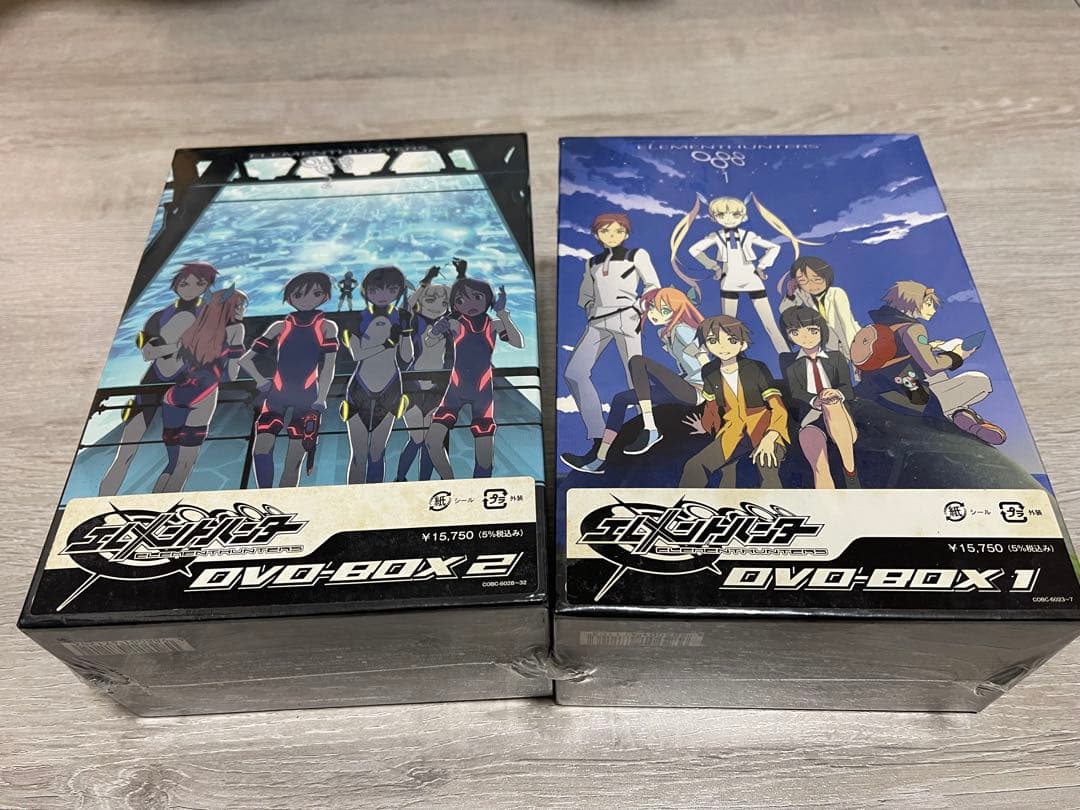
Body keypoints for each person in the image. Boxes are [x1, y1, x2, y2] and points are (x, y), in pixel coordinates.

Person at [99, 262, 216, 495]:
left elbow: (210, 351)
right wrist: (180, 346)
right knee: (125, 453)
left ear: (206, 286)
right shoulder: (159, 317)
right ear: (176, 285)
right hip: (152, 384)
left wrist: (178, 347)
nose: (191, 288)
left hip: (187, 385)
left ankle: (160, 503)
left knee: (180, 461)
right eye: (185, 283)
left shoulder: (208, 317)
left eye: (199, 283)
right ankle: (101, 501)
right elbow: (148, 352)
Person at [566, 287, 705, 473]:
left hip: (696, 391)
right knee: (621, 399)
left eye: (664, 310)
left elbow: (705, 362)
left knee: (638, 362)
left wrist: (714, 393)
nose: (654, 313)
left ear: (678, 310)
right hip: (683, 386)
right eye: (652, 307)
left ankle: (650, 428)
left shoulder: (683, 330)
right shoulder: (667, 332)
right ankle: (599, 459)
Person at [561, 212, 660, 469]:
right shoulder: (592, 262)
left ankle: (648, 430)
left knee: (634, 375)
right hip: (598, 321)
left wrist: (638, 309)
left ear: (626, 233)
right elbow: (585, 293)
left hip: (627, 317)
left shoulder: (636, 255)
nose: (612, 235)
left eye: (618, 231)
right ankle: (597, 440)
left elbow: (652, 285)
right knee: (574, 373)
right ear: (597, 234)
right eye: (605, 231)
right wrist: (590, 308)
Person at [854, 281, 1005, 444]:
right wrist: (958, 355)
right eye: (929, 304)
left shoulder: (879, 326)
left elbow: (894, 355)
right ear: (915, 302)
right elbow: (931, 366)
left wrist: (930, 346)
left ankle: (962, 416)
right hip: (911, 394)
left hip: (875, 387)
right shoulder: (912, 329)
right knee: (979, 381)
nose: (933, 309)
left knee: (937, 380)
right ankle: (963, 416)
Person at [671, 194, 819, 354]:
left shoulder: (748, 236)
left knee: (769, 323)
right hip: (729, 282)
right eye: (721, 214)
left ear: (743, 216)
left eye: (735, 214)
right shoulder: (717, 237)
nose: (728, 219)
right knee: (727, 326)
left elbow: (774, 247)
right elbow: (694, 250)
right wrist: (714, 266)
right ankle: (726, 359)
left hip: (752, 280)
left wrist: (762, 266)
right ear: (714, 217)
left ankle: (787, 356)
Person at [240, 272, 339, 488]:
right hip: (281, 396)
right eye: (299, 294)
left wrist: (322, 397)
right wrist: (260, 381)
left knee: (293, 462)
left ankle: (283, 500)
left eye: (315, 293)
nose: (306, 299)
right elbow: (245, 360)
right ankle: (265, 498)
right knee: (261, 450)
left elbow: (328, 366)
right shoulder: (280, 326)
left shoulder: (326, 327)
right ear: (290, 297)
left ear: (324, 296)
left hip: (306, 399)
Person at [426, 260, 523, 479]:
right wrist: (435, 331)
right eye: (461, 300)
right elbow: (430, 342)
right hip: (455, 390)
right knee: (433, 441)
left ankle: (479, 488)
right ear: (455, 304)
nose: (470, 304)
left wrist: (503, 314)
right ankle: (450, 483)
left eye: (477, 297)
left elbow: (518, 343)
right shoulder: (455, 324)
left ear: (488, 300)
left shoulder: (493, 325)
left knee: (485, 457)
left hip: (482, 392)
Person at [153, 287, 247, 493]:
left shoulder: (196, 328)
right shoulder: (236, 330)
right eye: (238, 305)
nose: (242, 309)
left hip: (175, 394)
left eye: (243, 305)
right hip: (204, 394)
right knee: (184, 465)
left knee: (172, 464)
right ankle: (165, 508)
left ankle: (153, 503)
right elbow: (232, 375)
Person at [679, 315, 789, 488]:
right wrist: (706, 426)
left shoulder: (756, 367)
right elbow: (711, 407)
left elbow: (778, 407)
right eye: (713, 341)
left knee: (767, 466)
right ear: (706, 346)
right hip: (732, 432)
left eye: (731, 340)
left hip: (765, 429)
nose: (722, 347)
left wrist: (771, 436)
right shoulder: (709, 371)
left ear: (742, 344)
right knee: (694, 467)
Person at [341, 266, 414, 483]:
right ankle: (354, 499)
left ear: (399, 291)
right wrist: (386, 344)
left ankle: (375, 498)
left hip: (390, 388)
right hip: (359, 389)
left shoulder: (401, 317)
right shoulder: (357, 319)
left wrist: (406, 332)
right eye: (375, 290)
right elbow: (357, 354)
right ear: (366, 291)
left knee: (377, 453)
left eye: (391, 290)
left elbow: (407, 357)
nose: (383, 295)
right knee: (359, 455)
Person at [779, 306, 860, 489]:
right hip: (811, 416)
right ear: (789, 336)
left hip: (841, 416)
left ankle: (850, 472)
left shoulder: (836, 357)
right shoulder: (790, 363)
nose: (805, 337)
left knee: (831, 404)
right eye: (796, 333)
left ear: (821, 330)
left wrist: (836, 394)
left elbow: (848, 389)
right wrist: (814, 400)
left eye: (812, 331)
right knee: (811, 443)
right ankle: (826, 499)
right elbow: (796, 391)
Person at [396, 264, 453, 481]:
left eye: (443, 303)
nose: (438, 306)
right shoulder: (414, 321)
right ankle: (400, 478)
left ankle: (424, 482)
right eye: (431, 300)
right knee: (417, 438)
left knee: (430, 440)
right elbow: (407, 307)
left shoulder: (447, 325)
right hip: (412, 387)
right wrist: (426, 280)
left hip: (437, 389)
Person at [778, 256, 861, 367]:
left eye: (816, 279)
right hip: (829, 345)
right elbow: (785, 312)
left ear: (826, 276)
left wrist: (854, 351)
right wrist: (790, 294)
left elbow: (846, 325)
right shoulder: (802, 295)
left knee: (858, 368)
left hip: (849, 338)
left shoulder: (837, 293)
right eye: (803, 281)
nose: (811, 285)